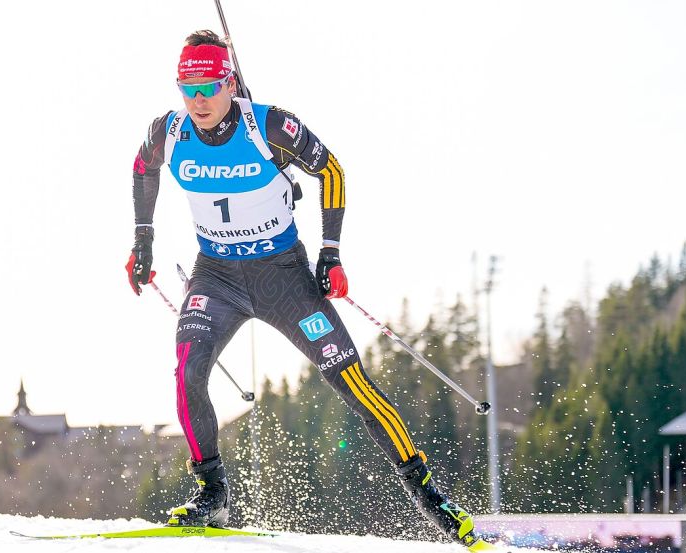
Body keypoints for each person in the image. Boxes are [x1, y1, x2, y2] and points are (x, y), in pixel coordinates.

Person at [127, 30, 493, 551]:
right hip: (217, 277)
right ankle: (212, 493)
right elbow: (142, 169)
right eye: (187, 87)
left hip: (284, 278)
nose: (198, 99)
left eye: (208, 85)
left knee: (351, 381)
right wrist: (143, 241)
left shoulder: (269, 125)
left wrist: (332, 252)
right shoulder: (170, 131)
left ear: (229, 81)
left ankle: (432, 500)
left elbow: (332, 169)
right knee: (188, 370)